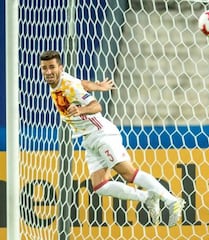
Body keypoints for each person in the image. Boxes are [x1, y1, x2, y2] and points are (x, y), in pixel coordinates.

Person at [39, 50, 185, 227]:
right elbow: (82, 83)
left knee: (128, 173)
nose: (48, 72)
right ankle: (146, 197)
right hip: (88, 139)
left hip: (102, 134)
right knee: (100, 186)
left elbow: (96, 106)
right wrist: (97, 86)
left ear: (60, 68)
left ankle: (171, 200)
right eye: (44, 68)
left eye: (52, 67)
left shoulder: (68, 85)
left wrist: (80, 110)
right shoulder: (62, 81)